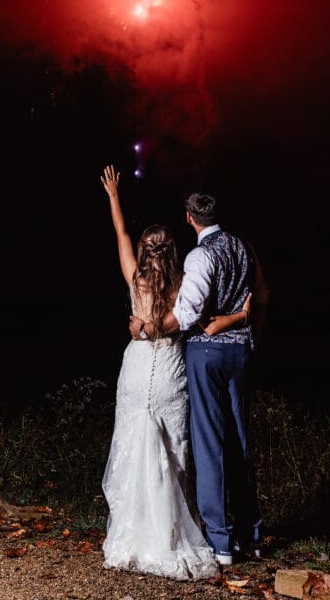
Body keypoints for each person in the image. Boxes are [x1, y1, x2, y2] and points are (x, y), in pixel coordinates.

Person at [100, 166, 250, 580]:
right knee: (175, 448)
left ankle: (131, 531)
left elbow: (121, 236)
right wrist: (239, 315)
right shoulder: (184, 280)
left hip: (137, 364)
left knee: (132, 438)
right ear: (172, 250)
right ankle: (172, 531)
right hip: (169, 367)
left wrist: (114, 196)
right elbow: (191, 315)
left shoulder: (134, 277)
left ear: (147, 252)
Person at [130, 190, 268, 568]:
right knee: (239, 439)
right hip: (240, 351)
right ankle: (251, 536)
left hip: (206, 354)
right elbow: (262, 295)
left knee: (209, 444)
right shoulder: (243, 247)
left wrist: (149, 330)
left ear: (189, 218)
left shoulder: (199, 256)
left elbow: (187, 313)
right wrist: (242, 324)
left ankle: (220, 541)